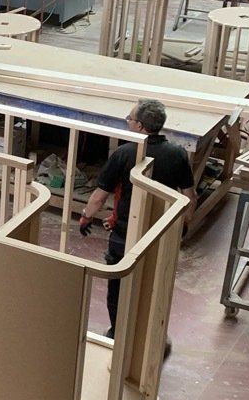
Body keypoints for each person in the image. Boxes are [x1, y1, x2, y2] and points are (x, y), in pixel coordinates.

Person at [77, 99, 195, 330]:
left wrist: (86, 217)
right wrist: (183, 225)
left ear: (140, 126)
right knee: (154, 284)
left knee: (118, 287)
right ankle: (148, 333)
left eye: (129, 119)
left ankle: (117, 332)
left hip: (126, 235)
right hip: (161, 234)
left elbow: (99, 197)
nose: (127, 121)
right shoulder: (177, 153)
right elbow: (190, 197)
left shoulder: (124, 154)